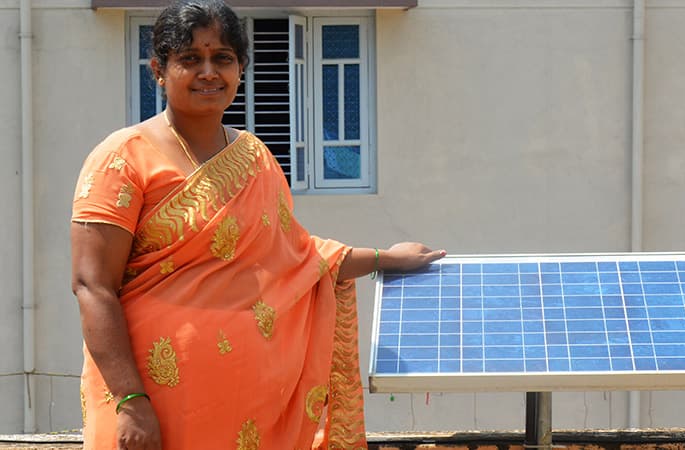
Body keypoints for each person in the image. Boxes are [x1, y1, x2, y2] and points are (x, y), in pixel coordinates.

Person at [70, 1, 445, 448]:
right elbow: (92, 285)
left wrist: (387, 258)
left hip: (250, 405)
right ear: (158, 69)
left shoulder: (255, 158)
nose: (208, 72)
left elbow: (297, 259)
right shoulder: (122, 158)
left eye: (222, 58)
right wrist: (131, 401)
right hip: (152, 402)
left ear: (241, 68)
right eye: (190, 59)